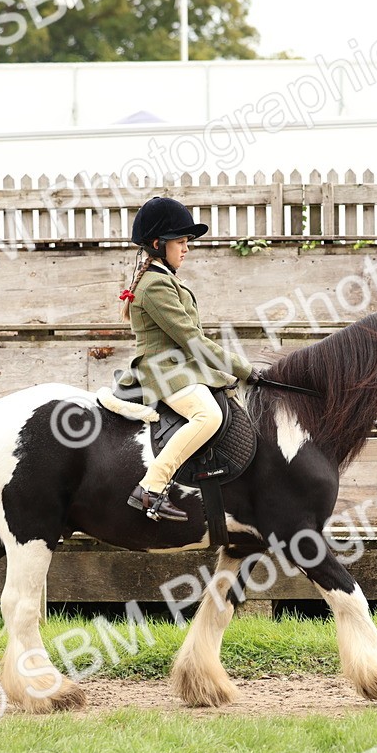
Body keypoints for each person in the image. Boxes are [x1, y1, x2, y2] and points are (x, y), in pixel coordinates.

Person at [117, 196, 257, 521]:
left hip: (180, 367)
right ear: (157, 244)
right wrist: (244, 369)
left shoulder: (164, 277)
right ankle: (151, 488)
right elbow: (193, 341)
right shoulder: (155, 286)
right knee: (207, 416)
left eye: (187, 241)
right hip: (163, 371)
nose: (186, 248)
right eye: (180, 241)